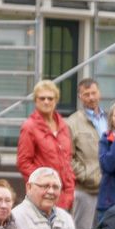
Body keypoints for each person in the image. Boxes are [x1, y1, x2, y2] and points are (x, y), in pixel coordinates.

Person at [17, 80, 75, 212]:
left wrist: (70, 189)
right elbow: (23, 162)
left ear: (56, 100)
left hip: (64, 194)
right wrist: (43, 184)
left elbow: (67, 160)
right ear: (35, 101)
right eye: (42, 98)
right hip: (42, 195)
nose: (46, 102)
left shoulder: (63, 126)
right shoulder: (29, 127)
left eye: (50, 98)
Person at [65, 78, 107, 229]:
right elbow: (67, 157)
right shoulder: (72, 123)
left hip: (109, 188)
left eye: (94, 93)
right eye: (86, 94)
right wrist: (85, 175)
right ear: (80, 97)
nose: (91, 97)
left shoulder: (109, 119)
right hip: (85, 191)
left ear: (99, 93)